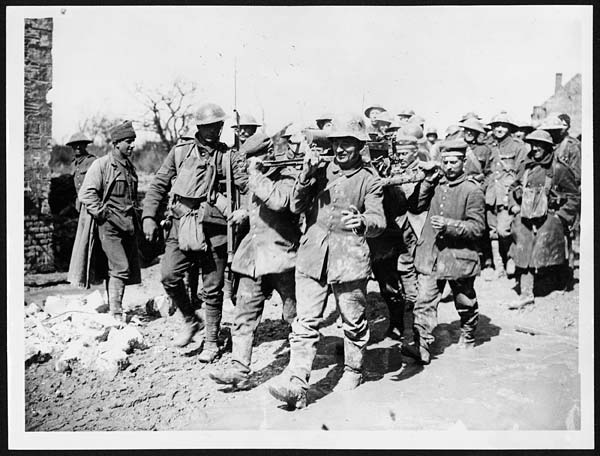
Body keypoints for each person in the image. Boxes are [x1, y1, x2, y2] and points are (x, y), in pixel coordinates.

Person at [267, 114, 385, 409]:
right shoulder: (319, 170)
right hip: (313, 255)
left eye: (347, 144)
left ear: (359, 146)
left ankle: (354, 370)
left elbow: (379, 220)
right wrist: (306, 176)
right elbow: (296, 205)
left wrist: (363, 221)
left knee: (353, 322)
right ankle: (297, 383)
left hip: (349, 256)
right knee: (304, 322)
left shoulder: (369, 180)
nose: (341, 149)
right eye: (336, 143)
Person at [142, 102, 240, 362]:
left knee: (212, 288)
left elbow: (243, 185)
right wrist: (149, 216)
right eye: (208, 126)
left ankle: (211, 341)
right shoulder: (181, 152)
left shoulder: (227, 155)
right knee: (169, 276)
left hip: (213, 228)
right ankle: (189, 319)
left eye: (218, 126)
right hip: (181, 224)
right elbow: (159, 184)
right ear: (199, 127)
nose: (214, 131)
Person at [208, 133, 300, 388]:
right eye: (248, 160)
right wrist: (246, 213)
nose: (248, 164)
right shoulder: (257, 178)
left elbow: (280, 202)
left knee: (294, 315)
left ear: (267, 156)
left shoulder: (290, 175)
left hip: (282, 257)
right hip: (254, 258)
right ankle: (240, 369)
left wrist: (257, 176)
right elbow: (261, 208)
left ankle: (299, 367)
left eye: (253, 159)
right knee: (244, 314)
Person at [405, 139, 485, 364]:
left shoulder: (472, 190)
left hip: (458, 256)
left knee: (464, 300)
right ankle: (422, 346)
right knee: (424, 300)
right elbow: (415, 206)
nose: (449, 166)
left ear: (463, 163)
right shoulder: (436, 184)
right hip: (432, 254)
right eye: (446, 162)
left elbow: (478, 228)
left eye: (454, 162)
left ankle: (468, 335)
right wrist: (428, 182)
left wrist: (450, 225)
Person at [76, 121, 141, 323]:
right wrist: (104, 214)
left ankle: (114, 307)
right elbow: (86, 194)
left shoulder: (129, 167)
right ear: (117, 143)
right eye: (128, 142)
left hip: (127, 225)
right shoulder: (102, 165)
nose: (132, 146)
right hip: (109, 226)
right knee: (120, 267)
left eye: (133, 142)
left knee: (116, 268)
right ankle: (116, 312)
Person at [507, 129, 580, 309]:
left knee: (549, 250)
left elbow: (574, 196)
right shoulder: (526, 166)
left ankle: (561, 281)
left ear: (549, 147)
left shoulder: (558, 168)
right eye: (534, 144)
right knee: (523, 249)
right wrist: (514, 205)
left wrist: (560, 216)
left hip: (549, 216)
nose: (536, 148)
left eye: (541, 145)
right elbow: (513, 188)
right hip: (525, 215)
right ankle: (526, 293)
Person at [483, 112, 528, 278]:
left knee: (504, 230)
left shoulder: (518, 146)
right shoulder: (489, 146)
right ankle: (498, 266)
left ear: (509, 128)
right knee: (493, 231)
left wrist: (515, 194)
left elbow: (522, 171)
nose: (499, 129)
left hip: (507, 195)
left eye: (503, 126)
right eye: (496, 126)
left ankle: (510, 257)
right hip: (491, 195)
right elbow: (486, 170)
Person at [539, 114, 581, 182]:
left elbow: (576, 176)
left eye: (554, 131)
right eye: (547, 131)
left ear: (559, 130)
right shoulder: (542, 147)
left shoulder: (571, 147)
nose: (550, 133)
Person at [66, 132, 96, 212]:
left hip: (91, 203)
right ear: (72, 146)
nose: (78, 147)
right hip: (78, 203)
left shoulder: (92, 161)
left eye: (81, 144)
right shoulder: (73, 164)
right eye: (75, 144)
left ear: (85, 145)